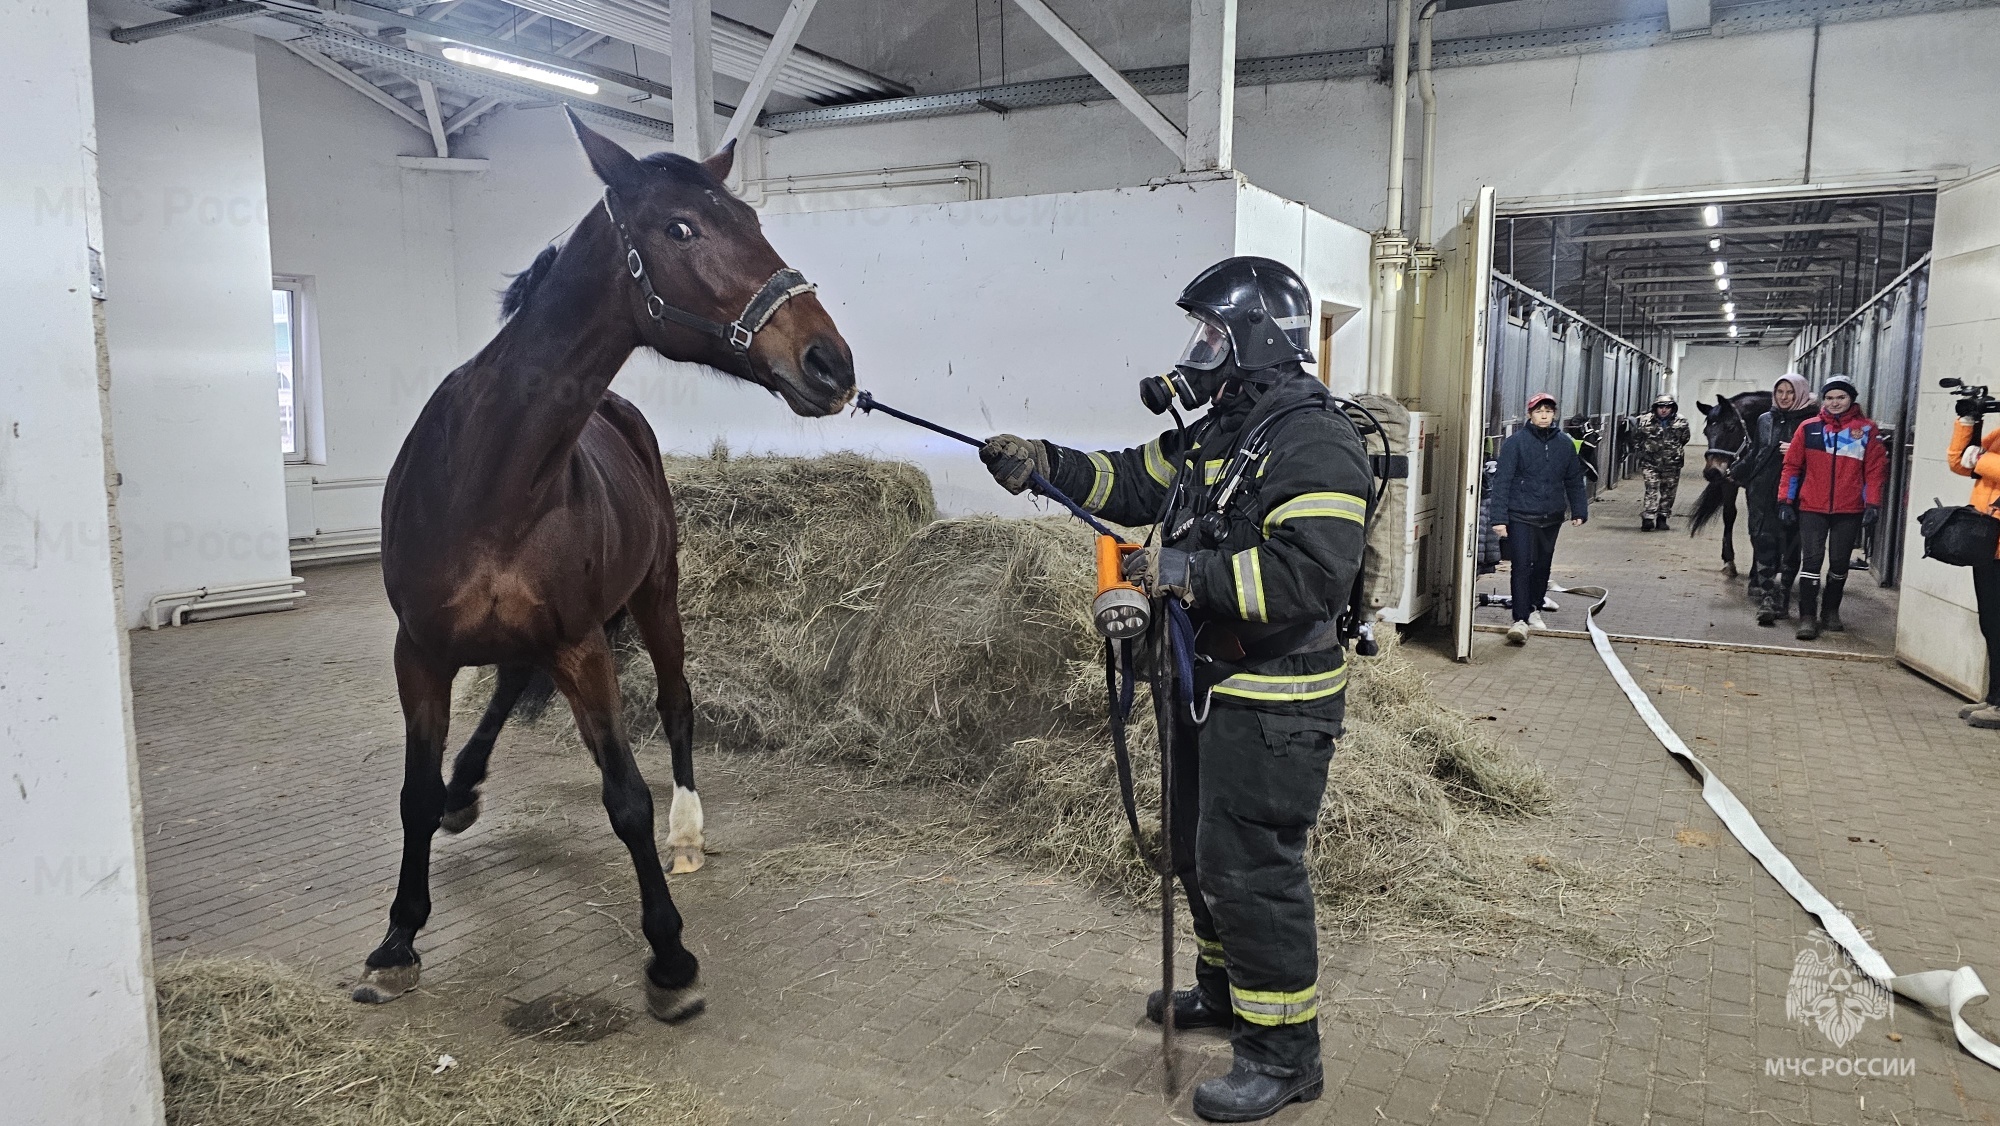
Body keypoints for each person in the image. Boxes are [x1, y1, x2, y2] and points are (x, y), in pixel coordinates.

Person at [978, 257, 1370, 1122]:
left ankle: (1283, 1056)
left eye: (1211, 332)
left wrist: (1183, 570)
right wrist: (1044, 463)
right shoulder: (1222, 429)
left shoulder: (1315, 440)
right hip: (1206, 681)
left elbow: (1311, 578)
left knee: (1252, 867)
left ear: (1257, 336)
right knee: (1200, 853)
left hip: (1275, 697)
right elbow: (1131, 480)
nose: (1196, 348)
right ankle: (1225, 993)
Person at [1778, 376, 1887, 641]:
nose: (1835, 403)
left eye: (1841, 398)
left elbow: (1874, 471)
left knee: (1839, 563)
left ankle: (1830, 611)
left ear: (1851, 399)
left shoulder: (1866, 430)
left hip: (1848, 510)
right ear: (1822, 400)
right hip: (1811, 507)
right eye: (1829, 398)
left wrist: (1872, 503)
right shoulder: (1809, 428)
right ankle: (1807, 616)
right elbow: (1792, 467)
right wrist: (1785, 500)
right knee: (1811, 562)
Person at [1486, 392, 1589, 645]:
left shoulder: (1564, 444)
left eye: (1549, 411)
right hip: (1520, 515)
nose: (1544, 415)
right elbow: (1502, 482)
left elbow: (1574, 479)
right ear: (1530, 414)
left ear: (1554, 415)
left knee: (1542, 565)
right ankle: (1520, 619)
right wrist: (1499, 519)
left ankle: (1534, 608)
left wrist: (1579, 510)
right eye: (1539, 411)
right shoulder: (1515, 443)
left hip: (1551, 516)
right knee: (1521, 565)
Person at [1734, 374, 1816, 625]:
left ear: (1800, 393)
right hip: (1762, 490)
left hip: (1794, 492)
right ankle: (1769, 596)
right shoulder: (1764, 420)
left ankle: (1784, 593)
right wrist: (1738, 470)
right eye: (1780, 391)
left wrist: (1796, 450)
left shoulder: (1811, 424)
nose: (1784, 397)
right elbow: (1757, 451)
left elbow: (1820, 461)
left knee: (1791, 545)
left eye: (1790, 392)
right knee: (1764, 542)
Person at [1946, 405, 2000, 726]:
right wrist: (1968, 422)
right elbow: (1959, 462)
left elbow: (1975, 461)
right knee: (1991, 623)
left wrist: (1978, 459)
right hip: (1988, 541)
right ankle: (1994, 697)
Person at [1630, 394, 1692, 531]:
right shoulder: (1644, 421)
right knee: (1651, 488)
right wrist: (1644, 451)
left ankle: (1662, 517)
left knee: (1668, 491)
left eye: (1667, 407)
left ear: (1672, 408)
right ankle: (1648, 517)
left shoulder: (1681, 421)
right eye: (1661, 407)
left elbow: (1685, 438)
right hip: (1650, 462)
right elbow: (1636, 438)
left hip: (1672, 462)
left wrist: (1672, 450)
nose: (1664, 410)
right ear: (1655, 408)